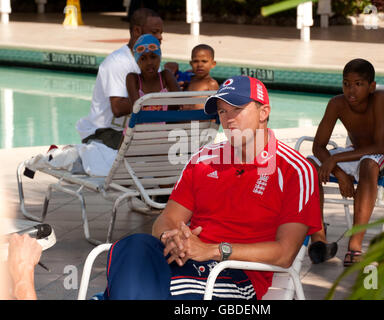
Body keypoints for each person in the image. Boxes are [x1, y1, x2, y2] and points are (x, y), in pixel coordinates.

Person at [101, 76, 322, 300]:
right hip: (187, 262)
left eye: (236, 108)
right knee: (134, 246)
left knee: (145, 282)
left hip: (235, 275)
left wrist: (213, 250)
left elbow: (285, 253)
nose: (228, 119)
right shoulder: (203, 160)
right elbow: (166, 219)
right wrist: (172, 237)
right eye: (222, 111)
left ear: (263, 112)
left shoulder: (294, 170)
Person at [307, 58, 384, 267]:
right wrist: (339, 172)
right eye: (346, 83)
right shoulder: (337, 103)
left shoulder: (380, 99)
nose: (351, 90)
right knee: (309, 165)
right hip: (358, 153)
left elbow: (380, 147)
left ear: (371, 86)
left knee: (368, 164)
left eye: (358, 84)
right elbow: (318, 146)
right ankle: (319, 239)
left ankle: (355, 246)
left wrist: (335, 158)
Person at [76, 8, 164, 150]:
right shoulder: (117, 62)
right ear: (137, 31)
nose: (160, 37)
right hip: (103, 132)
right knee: (152, 147)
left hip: (133, 131)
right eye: (155, 32)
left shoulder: (152, 60)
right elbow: (117, 108)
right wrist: (156, 92)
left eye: (161, 32)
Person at [126, 34, 179, 110]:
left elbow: (179, 103)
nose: (149, 62)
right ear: (137, 62)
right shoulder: (133, 79)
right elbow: (137, 110)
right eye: (143, 59)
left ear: (160, 58)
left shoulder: (165, 76)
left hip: (165, 121)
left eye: (153, 57)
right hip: (142, 122)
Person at [182, 44, 219, 110]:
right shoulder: (189, 82)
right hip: (185, 119)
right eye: (195, 61)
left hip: (202, 119)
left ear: (213, 64)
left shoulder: (211, 83)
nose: (199, 65)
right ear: (191, 63)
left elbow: (217, 108)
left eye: (204, 61)